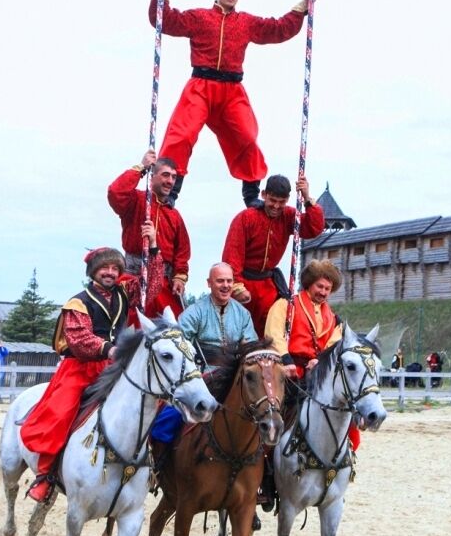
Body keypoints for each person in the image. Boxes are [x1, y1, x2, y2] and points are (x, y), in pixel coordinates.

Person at [149, 0, 318, 207]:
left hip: (232, 89)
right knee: (181, 135)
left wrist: (303, 5)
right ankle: (170, 191)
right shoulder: (198, 17)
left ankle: (251, 195)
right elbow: (166, 21)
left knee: (247, 137)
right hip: (201, 86)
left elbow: (278, 29)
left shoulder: (246, 22)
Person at [20, 248, 140, 503]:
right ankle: (45, 474)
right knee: (60, 414)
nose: (110, 273)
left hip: (115, 367)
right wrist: (110, 349)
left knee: (146, 402)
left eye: (115, 268)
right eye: (104, 268)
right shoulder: (78, 302)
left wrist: (151, 247)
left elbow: (151, 287)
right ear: (93, 272)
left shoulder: (125, 294)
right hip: (82, 368)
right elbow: (79, 340)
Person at [262, 259, 361, 511]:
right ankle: (265, 471)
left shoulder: (334, 318)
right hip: (288, 369)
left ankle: (340, 464)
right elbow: (274, 333)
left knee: (344, 414)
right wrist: (286, 361)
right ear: (309, 284)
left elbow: (335, 344)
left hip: (318, 373)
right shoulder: (287, 306)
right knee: (272, 414)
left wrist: (321, 361)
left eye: (328, 288)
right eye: (320, 286)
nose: (324, 292)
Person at [151, 262, 258, 444]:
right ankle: (160, 454)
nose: (225, 285)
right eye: (220, 281)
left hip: (234, 377)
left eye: (229, 281)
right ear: (209, 283)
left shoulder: (243, 314)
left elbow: (250, 346)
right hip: (202, 374)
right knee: (168, 418)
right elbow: (180, 346)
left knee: (262, 410)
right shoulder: (195, 312)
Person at [222, 172, 325, 336]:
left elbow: (313, 228)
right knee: (237, 329)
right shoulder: (246, 218)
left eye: (282, 202)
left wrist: (307, 198)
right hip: (243, 283)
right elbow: (232, 255)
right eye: (272, 201)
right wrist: (236, 287)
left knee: (272, 330)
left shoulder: (290, 216)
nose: (276, 206)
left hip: (269, 286)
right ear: (264, 195)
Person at [107, 150, 191, 318]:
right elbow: (115, 193)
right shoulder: (137, 201)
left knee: (175, 331)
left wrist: (180, 277)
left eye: (173, 177)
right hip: (133, 279)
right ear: (151, 177)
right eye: (165, 175)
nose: (170, 181)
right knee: (126, 330)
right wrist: (141, 167)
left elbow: (182, 252)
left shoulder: (175, 216)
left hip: (164, 285)